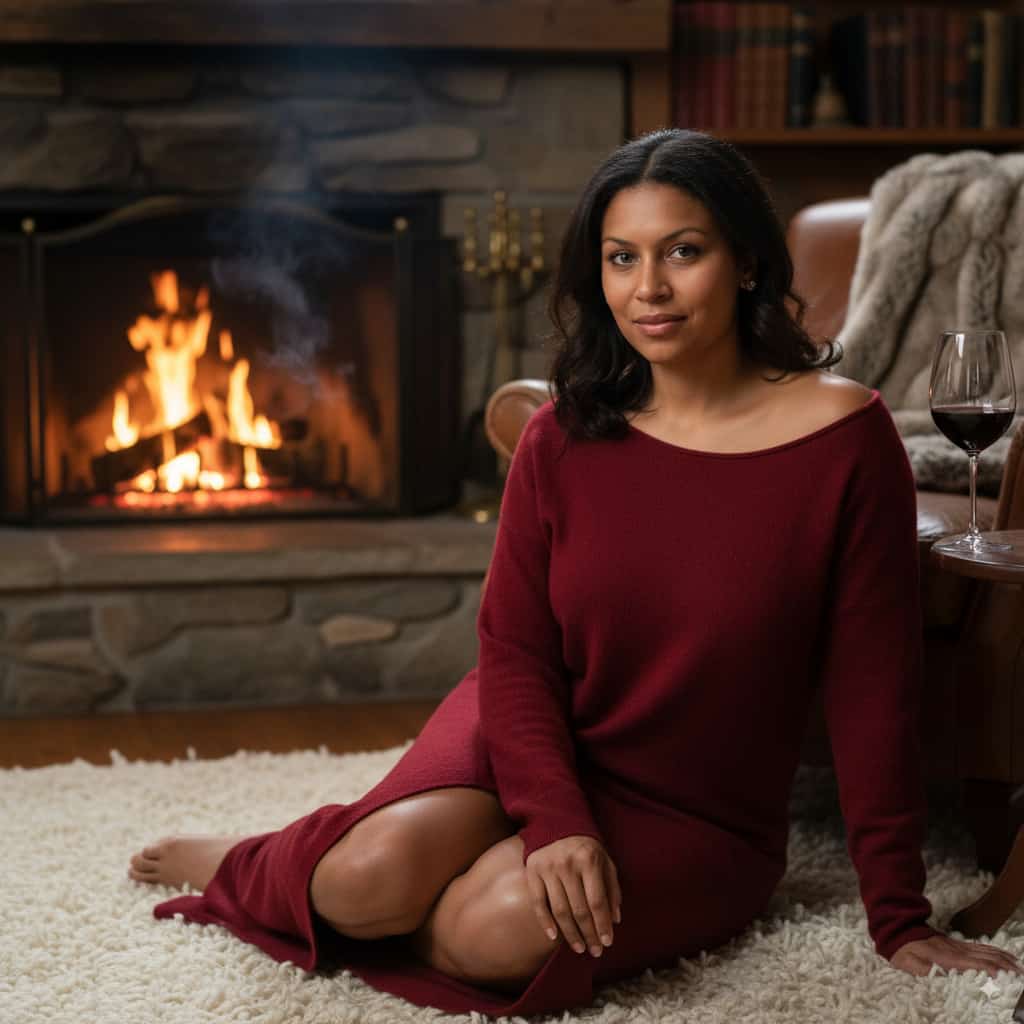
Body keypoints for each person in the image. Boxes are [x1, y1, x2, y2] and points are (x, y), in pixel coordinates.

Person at [129, 128, 1023, 1014]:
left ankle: (338, 872)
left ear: (746, 261)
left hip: (700, 811)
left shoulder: (847, 438)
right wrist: (555, 823)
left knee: (487, 935)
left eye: (683, 252)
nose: (650, 290)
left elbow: (875, 686)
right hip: (526, 731)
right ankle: (271, 860)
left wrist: (900, 917)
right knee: (371, 879)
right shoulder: (564, 434)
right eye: (621, 258)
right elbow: (513, 650)